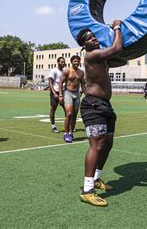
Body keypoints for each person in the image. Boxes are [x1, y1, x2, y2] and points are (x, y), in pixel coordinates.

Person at [76, 20, 125, 207]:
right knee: (96, 145)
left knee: (108, 143)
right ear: (84, 45)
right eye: (89, 38)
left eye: (94, 36)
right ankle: (87, 190)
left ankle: (97, 178)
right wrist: (117, 27)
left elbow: (121, 56)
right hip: (92, 105)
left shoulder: (101, 58)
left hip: (105, 105)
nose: (93, 39)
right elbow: (117, 47)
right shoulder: (91, 56)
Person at [59, 55, 86, 143]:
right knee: (69, 114)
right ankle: (66, 133)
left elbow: (83, 85)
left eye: (78, 61)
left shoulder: (81, 72)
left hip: (77, 94)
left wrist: (87, 95)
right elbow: (61, 82)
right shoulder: (67, 71)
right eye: (74, 61)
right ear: (71, 62)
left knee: (74, 115)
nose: (76, 63)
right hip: (68, 93)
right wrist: (60, 95)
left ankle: (71, 133)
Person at [48, 57, 66, 133]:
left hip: (63, 92)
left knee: (67, 109)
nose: (63, 63)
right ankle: (53, 126)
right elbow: (50, 82)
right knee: (53, 109)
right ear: (58, 62)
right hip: (55, 92)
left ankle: (67, 126)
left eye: (64, 62)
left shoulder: (64, 71)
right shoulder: (54, 71)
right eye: (61, 62)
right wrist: (54, 93)